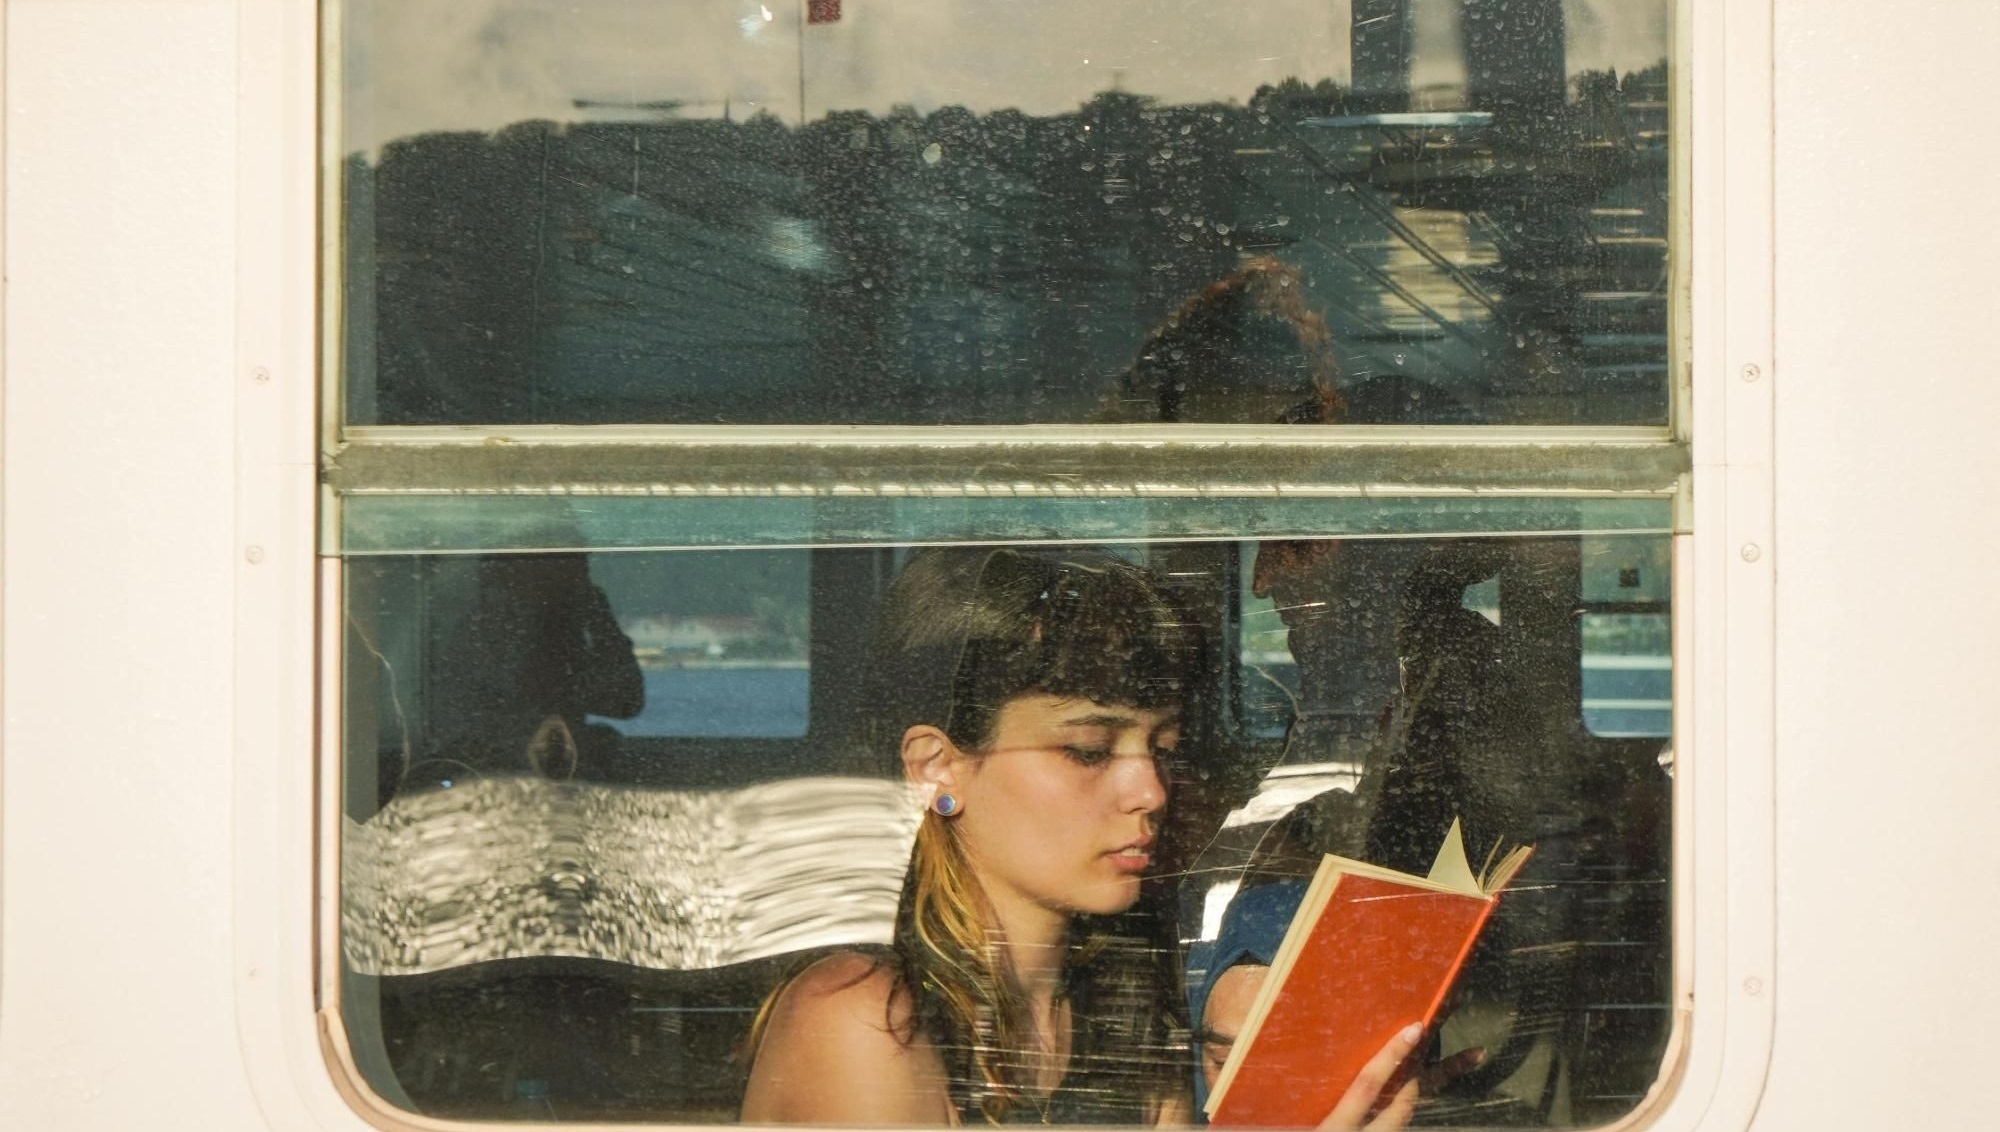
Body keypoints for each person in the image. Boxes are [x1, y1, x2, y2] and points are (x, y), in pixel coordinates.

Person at [740, 546, 1432, 1127]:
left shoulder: (1115, 1000)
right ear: (937, 769)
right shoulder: (864, 1020)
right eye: (1089, 752)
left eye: (1163, 748)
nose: (1151, 793)